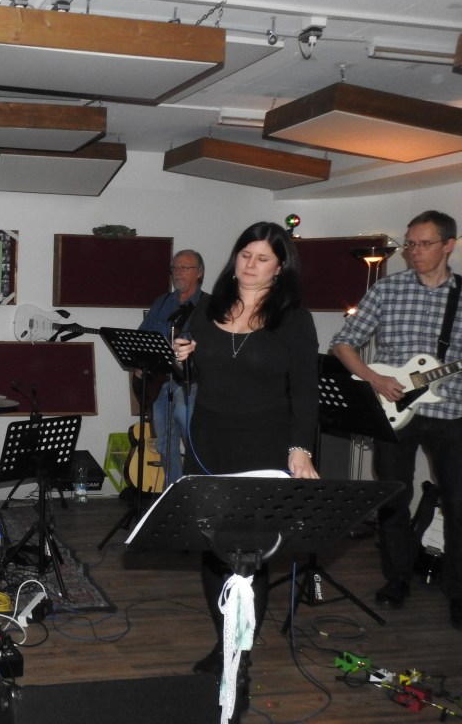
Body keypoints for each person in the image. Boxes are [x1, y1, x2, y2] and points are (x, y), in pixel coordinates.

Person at [173, 222, 319, 701]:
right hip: (209, 443)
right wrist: (181, 359)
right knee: (213, 549)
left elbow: (305, 392)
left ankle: (242, 652)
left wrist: (300, 448)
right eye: (245, 254)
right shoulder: (208, 308)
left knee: (251, 556)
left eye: (262, 258)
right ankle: (224, 644)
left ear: (280, 267)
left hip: (264, 445)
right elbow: (194, 372)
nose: (250, 264)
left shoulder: (294, 319)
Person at [331, 210, 462, 628]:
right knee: (393, 499)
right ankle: (397, 578)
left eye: (424, 244)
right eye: (410, 244)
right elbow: (343, 343)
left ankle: (457, 591)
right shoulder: (387, 289)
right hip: (391, 409)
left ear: (449, 245)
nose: (414, 252)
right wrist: (374, 378)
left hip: (450, 411)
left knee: (458, 503)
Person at [135, 249, 207, 487]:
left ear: (199, 273)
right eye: (175, 268)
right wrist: (139, 362)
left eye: (184, 267)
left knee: (191, 437)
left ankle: (197, 489)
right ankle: (173, 493)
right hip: (159, 383)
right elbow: (143, 336)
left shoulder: (209, 306)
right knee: (164, 443)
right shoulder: (162, 303)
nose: (178, 272)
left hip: (189, 384)